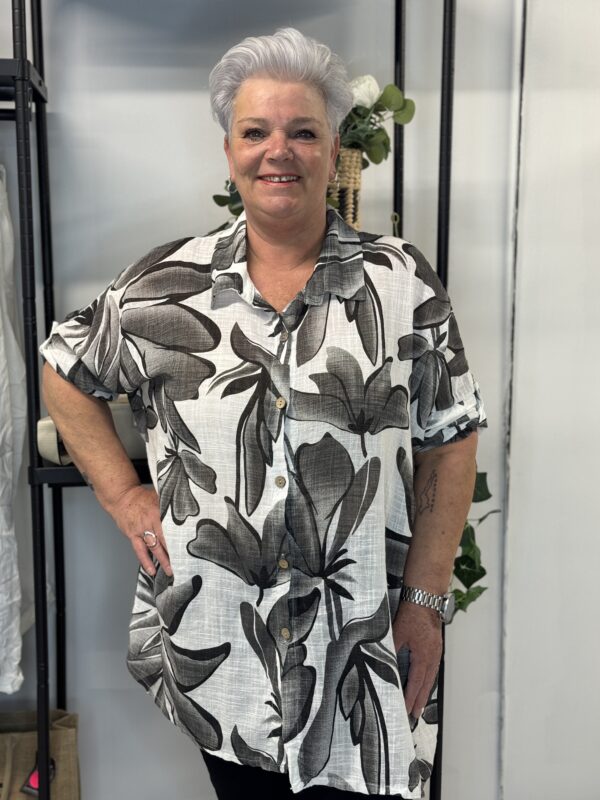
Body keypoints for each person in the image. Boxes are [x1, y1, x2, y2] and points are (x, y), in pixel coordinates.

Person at [40, 27, 486, 799]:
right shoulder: (164, 287)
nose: (279, 150)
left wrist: (424, 602)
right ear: (229, 151)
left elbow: (451, 439)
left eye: (303, 132)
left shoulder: (400, 283)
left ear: (333, 150)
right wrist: (123, 494)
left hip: (362, 652)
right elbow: (64, 367)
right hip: (225, 658)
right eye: (255, 132)